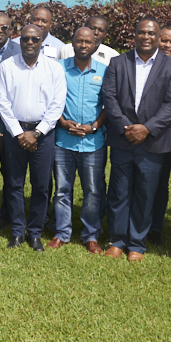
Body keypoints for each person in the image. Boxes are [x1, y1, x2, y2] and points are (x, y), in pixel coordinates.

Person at [101, 17, 171, 261]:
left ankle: (137, 243)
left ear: (158, 37)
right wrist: (127, 127)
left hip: (153, 142)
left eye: (151, 33)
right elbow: (110, 97)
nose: (146, 37)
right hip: (123, 139)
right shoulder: (118, 62)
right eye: (141, 33)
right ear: (134, 34)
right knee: (119, 191)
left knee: (145, 194)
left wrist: (146, 128)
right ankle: (117, 240)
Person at [0, 25, 67, 251]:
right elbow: (2, 103)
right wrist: (19, 133)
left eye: (34, 39)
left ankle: (35, 232)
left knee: (41, 185)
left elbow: (57, 105)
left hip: (43, 134)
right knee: (14, 184)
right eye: (25, 39)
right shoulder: (7, 66)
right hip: (14, 132)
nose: (29, 42)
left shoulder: (53, 69)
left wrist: (36, 133)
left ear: (42, 41)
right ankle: (17, 231)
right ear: (20, 41)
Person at [50, 27, 108, 250]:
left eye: (88, 42)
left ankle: (90, 235)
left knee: (93, 191)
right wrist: (63, 122)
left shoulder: (104, 71)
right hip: (64, 140)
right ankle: (62, 233)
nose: (83, 45)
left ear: (95, 44)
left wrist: (93, 126)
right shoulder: (59, 69)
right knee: (62, 189)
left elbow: (108, 106)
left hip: (93, 142)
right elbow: (51, 99)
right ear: (72, 43)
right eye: (79, 41)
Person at [148, 23, 171, 245]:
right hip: (140, 130)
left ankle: (156, 227)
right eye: (164, 40)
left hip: (166, 135)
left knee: (160, 184)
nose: (167, 45)